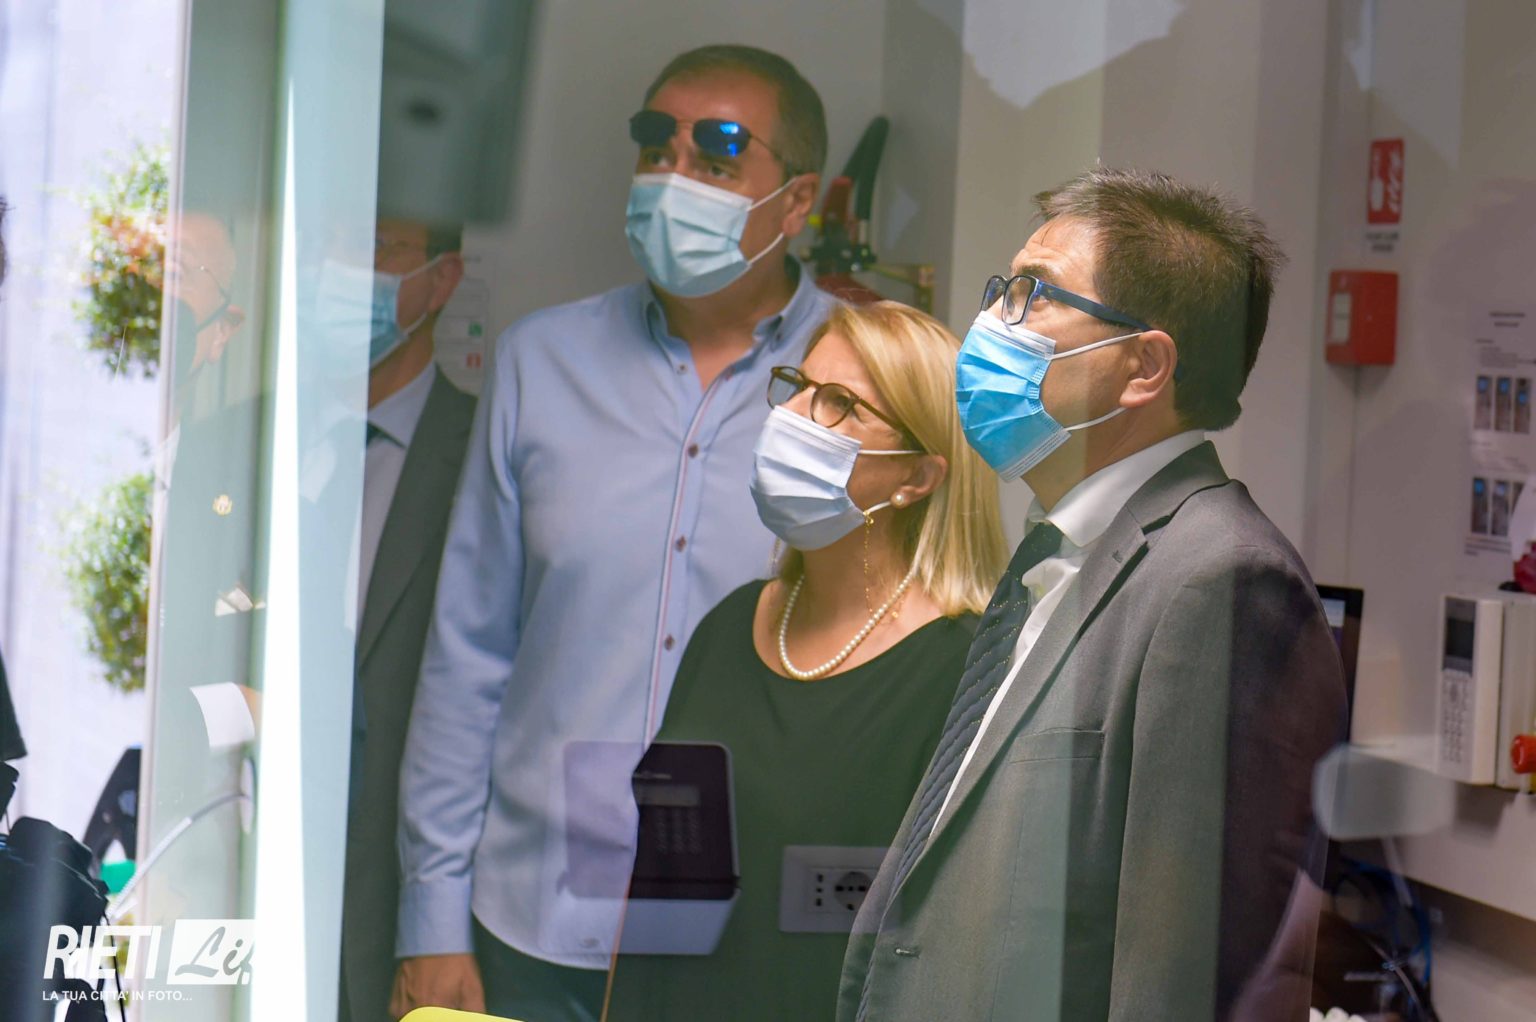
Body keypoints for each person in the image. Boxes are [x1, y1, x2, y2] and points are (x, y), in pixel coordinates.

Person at [839, 168, 1348, 1021]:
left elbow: (1179, 979)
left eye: (1033, 296)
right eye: (1002, 290)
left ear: (1144, 367)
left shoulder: (1219, 581)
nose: (992, 322)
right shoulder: (1058, 557)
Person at [391, 45, 837, 1022]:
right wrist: (431, 919)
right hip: (528, 924)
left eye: (716, 156)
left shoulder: (859, 380)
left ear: (797, 200)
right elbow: (469, 655)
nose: (674, 178)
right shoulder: (540, 363)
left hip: (753, 943)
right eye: (655, 148)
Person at [605, 301, 1007, 1020]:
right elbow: (655, 888)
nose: (792, 416)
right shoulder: (733, 624)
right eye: (799, 385)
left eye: (840, 403)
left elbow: (946, 950)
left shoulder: (962, 672)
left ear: (916, 477)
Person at [329, 218, 475, 1022]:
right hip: (245, 879)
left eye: (380, 248)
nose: (348, 274)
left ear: (443, 279)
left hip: (401, 916)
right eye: (338, 246)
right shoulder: (252, 438)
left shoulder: (487, 450)